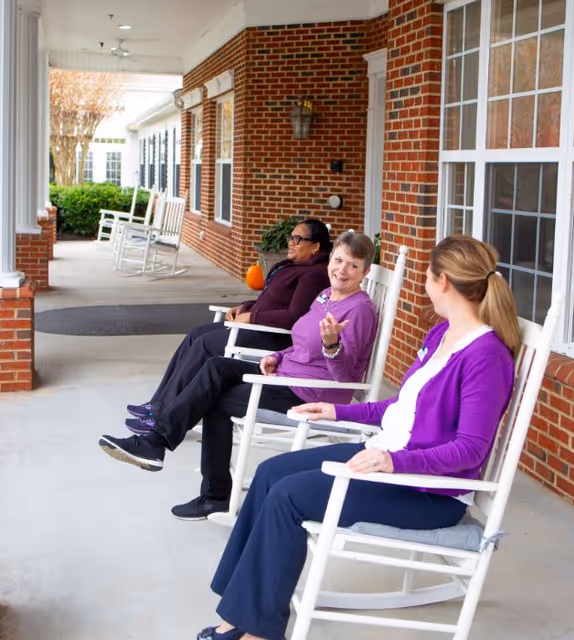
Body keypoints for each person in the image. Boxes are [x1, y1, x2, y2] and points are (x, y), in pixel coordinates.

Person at [198, 235, 521, 640]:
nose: (423, 283)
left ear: (443, 282)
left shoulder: (486, 357)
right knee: (270, 473)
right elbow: (403, 408)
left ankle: (259, 631)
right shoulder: (442, 335)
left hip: (426, 492)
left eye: (426, 275)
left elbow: (470, 448)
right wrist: (338, 410)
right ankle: (241, 610)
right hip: (387, 457)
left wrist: (393, 462)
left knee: (290, 495)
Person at [99, 232, 379, 520]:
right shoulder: (325, 295)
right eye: (338, 260)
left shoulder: (359, 310)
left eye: (353, 265)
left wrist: (331, 343)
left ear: (365, 272)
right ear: (329, 259)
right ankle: (157, 443)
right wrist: (277, 356)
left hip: (311, 392)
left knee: (216, 401)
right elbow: (299, 342)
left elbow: (345, 376)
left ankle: (211, 492)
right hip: (286, 373)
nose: (342, 270)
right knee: (217, 366)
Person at [124, 219, 333, 433]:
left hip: (274, 338)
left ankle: (160, 416)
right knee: (197, 334)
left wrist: (251, 317)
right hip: (259, 328)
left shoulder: (314, 275)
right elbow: (273, 300)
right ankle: (157, 404)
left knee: (205, 344)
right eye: (291, 237)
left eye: (298, 239)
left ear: (315, 246)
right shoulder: (299, 267)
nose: (291, 242)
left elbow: (294, 316)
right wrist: (244, 307)